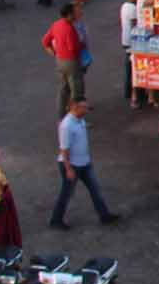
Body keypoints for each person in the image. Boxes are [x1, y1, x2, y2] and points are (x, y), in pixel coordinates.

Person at [48, 97, 118, 229]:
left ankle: (104, 215)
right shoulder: (67, 126)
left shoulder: (80, 120)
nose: (87, 110)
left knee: (95, 189)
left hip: (84, 163)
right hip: (72, 165)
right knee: (67, 193)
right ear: (75, 107)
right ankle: (56, 219)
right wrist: (68, 169)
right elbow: (64, 149)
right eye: (84, 107)